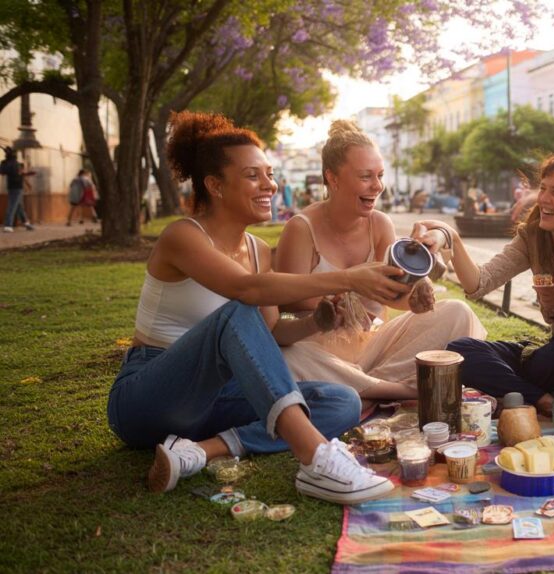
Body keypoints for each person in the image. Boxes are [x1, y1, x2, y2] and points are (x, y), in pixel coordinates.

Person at [108, 111, 409, 505]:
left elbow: (270, 332)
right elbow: (244, 290)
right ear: (215, 185)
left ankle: (200, 450)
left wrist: (313, 322)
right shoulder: (183, 236)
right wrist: (350, 278)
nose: (270, 184)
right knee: (238, 310)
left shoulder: (256, 250)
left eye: (269, 173)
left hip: (216, 399)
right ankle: (316, 459)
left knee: (341, 401)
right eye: (254, 175)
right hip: (149, 396)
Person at [275, 120, 486, 400]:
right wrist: (348, 291)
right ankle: (395, 390)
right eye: (366, 177)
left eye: (380, 175)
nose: (378, 186)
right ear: (333, 178)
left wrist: (413, 299)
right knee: (286, 359)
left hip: (372, 346)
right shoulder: (301, 228)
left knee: (457, 312)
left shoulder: (380, 224)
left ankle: (363, 389)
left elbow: (393, 295)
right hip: (316, 353)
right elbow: (286, 303)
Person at [414, 154, 554, 416]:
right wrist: (451, 237)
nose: (543, 198)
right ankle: (543, 400)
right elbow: (479, 283)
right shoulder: (532, 237)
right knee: (460, 350)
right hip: (547, 358)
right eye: (543, 188)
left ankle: (517, 390)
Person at [2, 146, 35, 232]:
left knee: (13, 206)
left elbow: (20, 174)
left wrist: (27, 177)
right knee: (18, 206)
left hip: (16, 188)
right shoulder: (11, 163)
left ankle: (8, 225)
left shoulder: (13, 164)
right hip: (15, 188)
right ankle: (26, 223)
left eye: (7, 153)